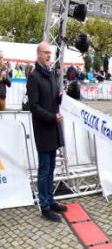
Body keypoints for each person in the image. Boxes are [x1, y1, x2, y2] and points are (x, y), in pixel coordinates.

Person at [27, 42, 68, 222]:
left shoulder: (50, 75)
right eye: (46, 53)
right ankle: (44, 206)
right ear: (38, 54)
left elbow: (51, 100)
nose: (49, 56)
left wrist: (59, 99)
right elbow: (34, 107)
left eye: (50, 53)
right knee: (44, 170)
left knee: (51, 167)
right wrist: (52, 117)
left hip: (53, 129)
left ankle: (51, 201)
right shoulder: (34, 78)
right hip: (43, 130)